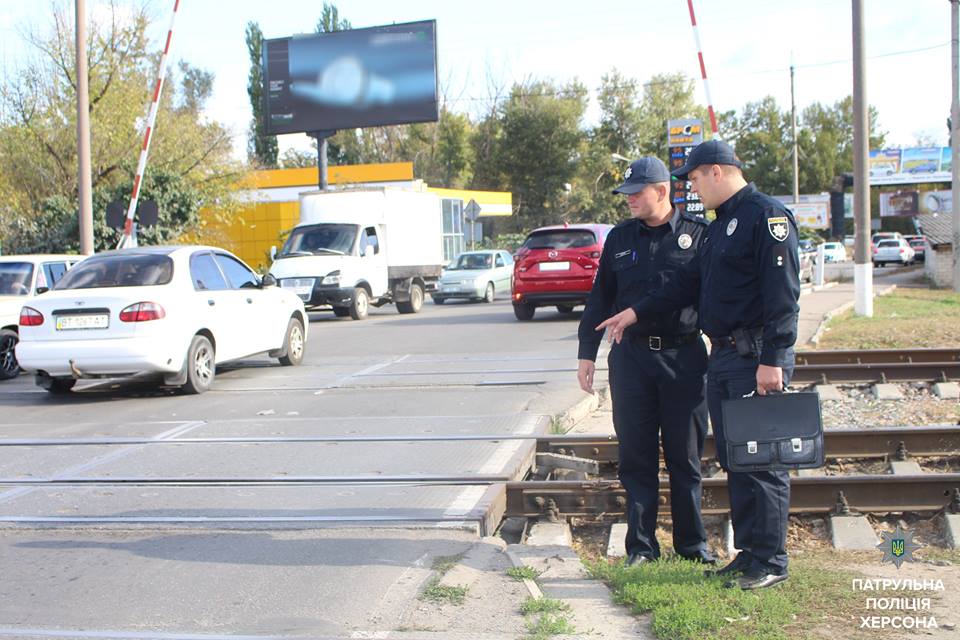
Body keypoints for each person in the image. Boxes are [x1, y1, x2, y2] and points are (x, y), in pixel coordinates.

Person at [596, 140, 801, 590]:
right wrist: (635, 312)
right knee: (737, 460)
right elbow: (685, 285)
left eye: (692, 178)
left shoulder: (765, 217)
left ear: (715, 171)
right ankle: (750, 555)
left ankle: (771, 561)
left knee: (762, 460)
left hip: (755, 357)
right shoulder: (724, 222)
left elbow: (783, 296)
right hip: (725, 356)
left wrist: (774, 359)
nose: (690, 187)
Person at [577, 156, 714, 567]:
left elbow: (698, 293)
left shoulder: (697, 234)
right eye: (626, 194)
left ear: (661, 191)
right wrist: (587, 352)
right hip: (632, 359)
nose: (629, 200)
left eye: (636, 193)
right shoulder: (620, 238)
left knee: (685, 457)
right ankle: (641, 547)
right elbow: (601, 296)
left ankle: (692, 547)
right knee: (636, 458)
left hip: (682, 356)